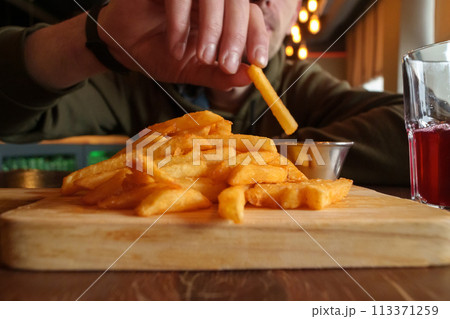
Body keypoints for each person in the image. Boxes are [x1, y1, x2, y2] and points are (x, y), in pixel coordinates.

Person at [0, 0, 409, 185]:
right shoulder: (135, 78)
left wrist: (238, 159)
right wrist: (95, 39)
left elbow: (414, 125)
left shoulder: (303, 85)